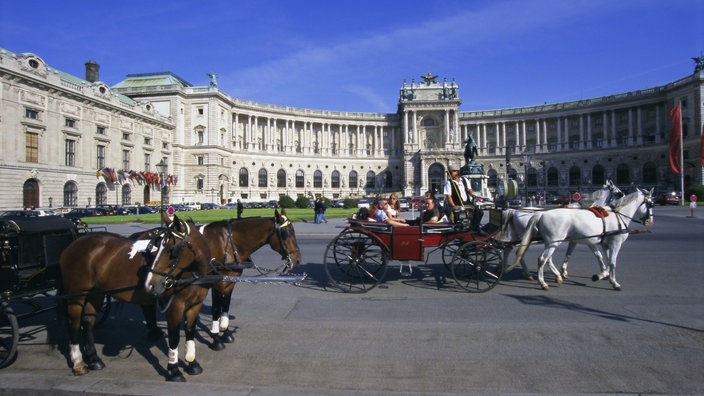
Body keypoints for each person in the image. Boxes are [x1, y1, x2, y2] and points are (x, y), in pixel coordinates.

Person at [444, 165, 484, 231]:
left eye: (452, 172)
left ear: (457, 172)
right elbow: (448, 196)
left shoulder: (464, 180)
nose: (451, 174)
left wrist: (473, 195)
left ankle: (474, 226)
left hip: (467, 202)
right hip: (458, 203)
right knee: (470, 211)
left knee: (479, 212)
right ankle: (473, 228)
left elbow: (469, 190)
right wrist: (453, 206)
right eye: (449, 172)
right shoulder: (449, 183)